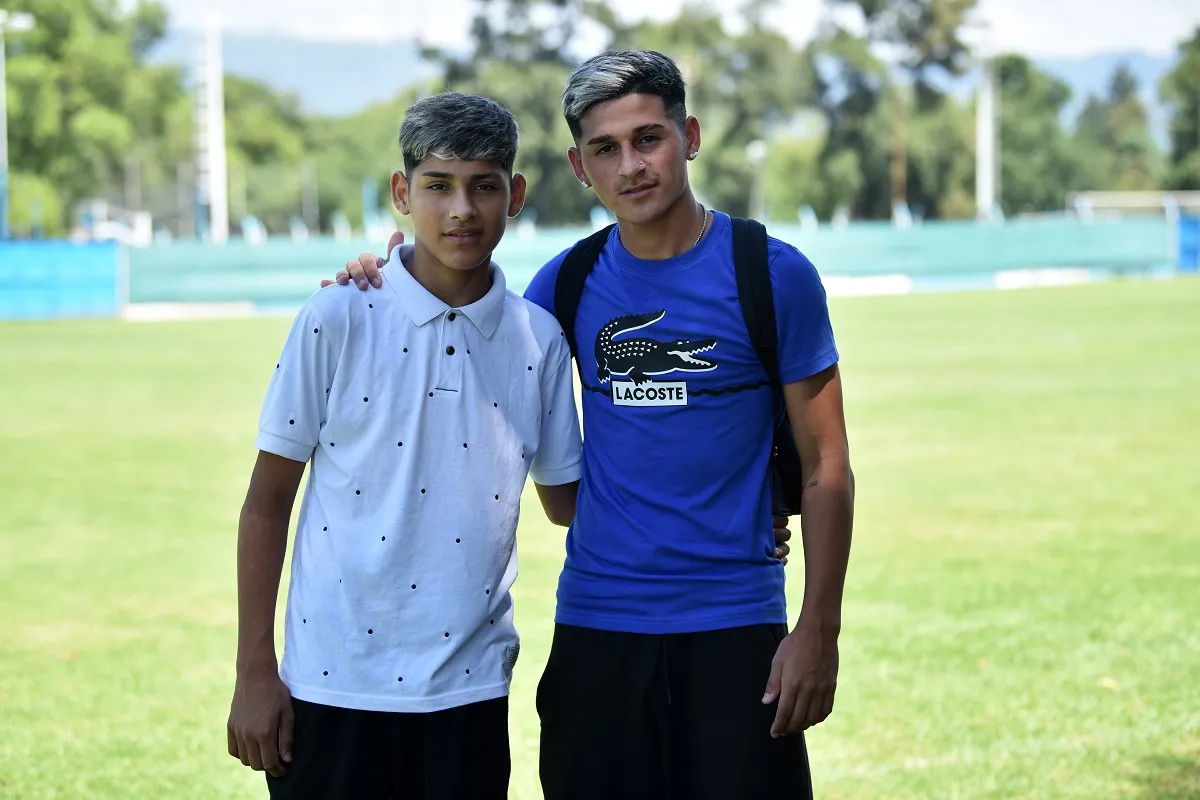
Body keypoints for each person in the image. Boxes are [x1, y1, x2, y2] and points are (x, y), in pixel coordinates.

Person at [331, 50, 853, 799]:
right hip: (598, 631)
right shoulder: (563, 288)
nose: (630, 165)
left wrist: (818, 632)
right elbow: (461, 322)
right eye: (605, 149)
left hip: (737, 627)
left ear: (691, 136)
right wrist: (378, 274)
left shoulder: (772, 273)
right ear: (579, 166)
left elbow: (826, 465)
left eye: (649, 138)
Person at [225, 91, 586, 799]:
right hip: (330, 686)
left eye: (484, 186)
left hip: (469, 692)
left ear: (514, 195)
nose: (461, 210)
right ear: (402, 192)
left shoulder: (538, 340)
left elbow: (570, 503)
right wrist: (253, 672)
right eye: (438, 186)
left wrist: (740, 505)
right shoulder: (337, 315)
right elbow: (266, 504)